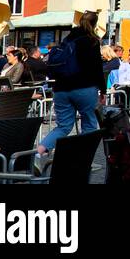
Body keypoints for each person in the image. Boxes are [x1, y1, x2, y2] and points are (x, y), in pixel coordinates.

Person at [37, 10, 106, 158]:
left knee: (63, 127)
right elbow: (97, 68)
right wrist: (103, 90)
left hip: (61, 89)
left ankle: (39, 152)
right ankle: (83, 160)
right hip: (84, 88)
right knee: (89, 125)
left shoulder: (67, 39)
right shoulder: (91, 41)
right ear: (94, 24)